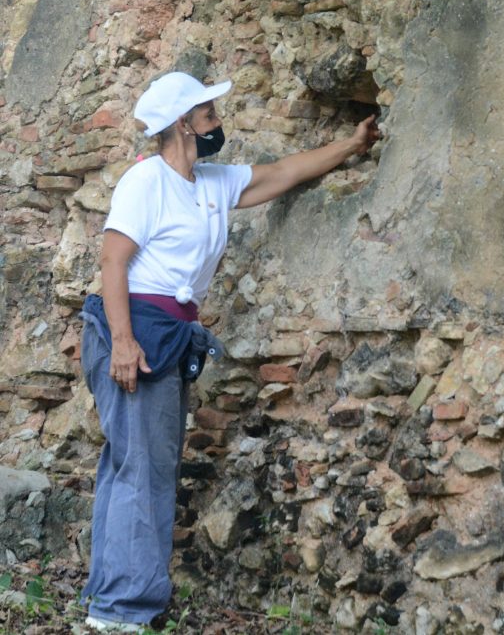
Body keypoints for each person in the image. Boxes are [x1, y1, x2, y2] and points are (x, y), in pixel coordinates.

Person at [77, 72, 380, 632]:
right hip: (135, 334)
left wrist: (352, 145)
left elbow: (284, 172)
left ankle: (109, 603)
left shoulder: (211, 183)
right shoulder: (146, 182)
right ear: (181, 124)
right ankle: (121, 611)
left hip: (167, 335)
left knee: (135, 466)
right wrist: (122, 342)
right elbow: (113, 262)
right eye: (209, 115)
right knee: (141, 469)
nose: (218, 123)